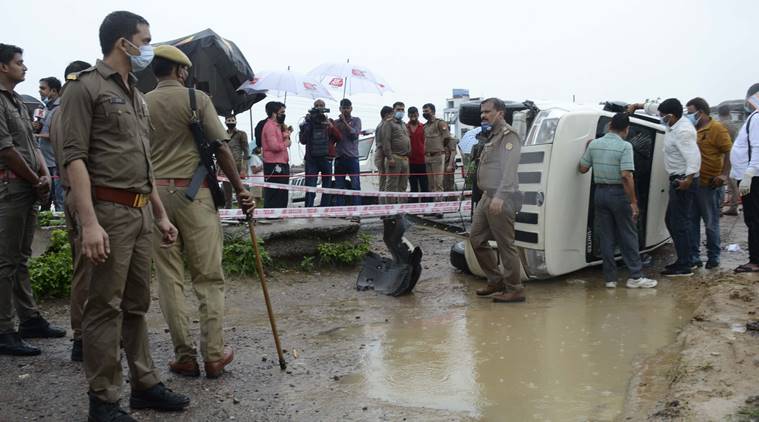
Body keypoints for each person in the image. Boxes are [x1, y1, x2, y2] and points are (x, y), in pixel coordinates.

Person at [60, 11, 190, 421]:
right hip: (107, 211)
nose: (149, 47)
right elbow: (74, 158)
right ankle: (103, 399)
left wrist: (160, 215)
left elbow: (143, 163)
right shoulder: (85, 89)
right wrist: (89, 222)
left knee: (136, 304)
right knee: (104, 307)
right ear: (124, 43)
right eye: (145, 39)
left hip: (138, 212)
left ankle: (145, 383)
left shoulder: (136, 92)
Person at [146, 45, 254, 379]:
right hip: (196, 195)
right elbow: (221, 147)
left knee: (169, 279)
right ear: (180, 71)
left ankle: (184, 356)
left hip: (155, 199)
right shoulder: (196, 100)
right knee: (208, 276)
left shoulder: (141, 103)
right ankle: (213, 355)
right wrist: (240, 189)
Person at [0, 43, 65, 357]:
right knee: (6, 261)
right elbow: (6, 150)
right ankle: (3, 329)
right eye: (19, 62)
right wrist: (33, 177)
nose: (24, 67)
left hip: (25, 187)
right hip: (10, 189)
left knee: (21, 258)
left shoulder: (16, 102)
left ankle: (29, 319)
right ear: (3, 67)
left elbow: (32, 145)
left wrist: (42, 175)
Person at [579, 113, 658, 289]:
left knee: (606, 236)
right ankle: (636, 277)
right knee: (628, 234)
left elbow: (583, 168)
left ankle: (610, 279)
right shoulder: (625, 146)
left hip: (600, 194)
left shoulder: (595, 145)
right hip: (619, 195)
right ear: (626, 129)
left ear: (609, 126)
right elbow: (626, 175)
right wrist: (634, 202)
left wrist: (588, 149)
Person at [48, 59, 92, 362]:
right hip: (80, 195)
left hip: (69, 194)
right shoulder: (73, 113)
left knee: (82, 266)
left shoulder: (57, 113)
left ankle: (82, 335)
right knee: (88, 269)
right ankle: (83, 336)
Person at [629, 98, 701, 277]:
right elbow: (654, 109)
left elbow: (694, 158)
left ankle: (685, 264)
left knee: (678, 222)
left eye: (663, 116)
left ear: (671, 115)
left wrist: (687, 180)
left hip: (683, 181)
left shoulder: (683, 131)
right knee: (672, 220)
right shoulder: (673, 121)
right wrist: (638, 106)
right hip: (677, 178)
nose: (660, 117)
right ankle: (687, 259)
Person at [470, 98, 526, 303]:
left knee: (505, 245)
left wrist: (501, 196)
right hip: (487, 196)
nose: (483, 115)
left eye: (487, 112)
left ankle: (515, 289)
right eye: (482, 112)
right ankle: (495, 280)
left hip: (501, 197)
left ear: (500, 113)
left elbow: (510, 170)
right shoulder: (492, 136)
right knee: (476, 239)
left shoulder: (508, 136)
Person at [685, 98, 732, 269]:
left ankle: (714, 256)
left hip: (710, 184)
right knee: (691, 222)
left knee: (711, 223)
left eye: (691, 113)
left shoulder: (717, 129)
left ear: (701, 112)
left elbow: (729, 152)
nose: (689, 116)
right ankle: (694, 256)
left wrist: (724, 175)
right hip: (693, 183)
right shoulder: (691, 129)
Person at [731, 83, 759, 273]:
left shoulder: (756, 118)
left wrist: (748, 174)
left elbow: (757, 148)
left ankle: (755, 261)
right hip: (750, 175)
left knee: (753, 219)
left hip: (753, 178)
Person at [299, 99, 340, 207]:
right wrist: (308, 124)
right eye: (316, 105)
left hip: (326, 157)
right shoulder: (307, 122)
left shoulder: (329, 121)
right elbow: (302, 140)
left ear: (325, 107)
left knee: (327, 185)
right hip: (311, 158)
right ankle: (309, 209)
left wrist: (330, 125)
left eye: (321, 105)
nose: (319, 107)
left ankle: (324, 208)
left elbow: (339, 137)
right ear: (313, 107)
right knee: (310, 185)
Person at [36, 76, 64, 211]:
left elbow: (56, 135)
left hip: (56, 162)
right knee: (45, 199)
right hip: (44, 162)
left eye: (43, 88)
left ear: (53, 91)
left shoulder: (61, 108)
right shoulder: (45, 108)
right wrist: (35, 126)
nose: (40, 91)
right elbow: (42, 128)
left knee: (59, 200)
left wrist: (33, 135)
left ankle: (62, 230)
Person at [378, 101, 410, 203]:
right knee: (391, 186)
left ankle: (400, 212)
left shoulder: (403, 124)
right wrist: (390, 157)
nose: (401, 111)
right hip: (394, 158)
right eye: (398, 109)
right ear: (394, 111)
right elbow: (386, 141)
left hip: (405, 158)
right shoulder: (388, 123)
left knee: (403, 186)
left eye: (402, 109)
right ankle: (390, 212)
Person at [333, 98, 363, 206]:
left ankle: (356, 212)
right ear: (340, 109)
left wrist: (345, 122)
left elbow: (354, 134)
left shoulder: (356, 120)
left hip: (352, 158)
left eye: (347, 108)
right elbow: (333, 137)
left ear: (351, 108)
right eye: (343, 108)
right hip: (339, 158)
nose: (345, 110)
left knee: (355, 186)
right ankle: (341, 212)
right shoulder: (336, 123)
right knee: (339, 187)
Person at [422, 103, 456, 195]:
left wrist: (440, 149)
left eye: (426, 111)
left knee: (438, 184)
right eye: (423, 111)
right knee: (431, 185)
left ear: (432, 111)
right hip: (427, 157)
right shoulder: (425, 126)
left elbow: (447, 138)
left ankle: (439, 206)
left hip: (438, 156)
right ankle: (434, 205)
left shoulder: (440, 123)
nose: (424, 113)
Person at [262, 101, 290, 208]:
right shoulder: (269, 127)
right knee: (275, 194)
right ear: (274, 113)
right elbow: (274, 146)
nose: (283, 115)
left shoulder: (278, 126)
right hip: (274, 165)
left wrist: (285, 134)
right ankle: (272, 216)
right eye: (281, 112)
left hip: (282, 162)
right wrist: (285, 143)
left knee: (282, 194)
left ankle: (280, 215)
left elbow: (286, 141)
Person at [222, 115, 250, 209]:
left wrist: (244, 168)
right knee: (227, 191)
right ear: (225, 122)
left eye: (232, 120)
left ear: (236, 121)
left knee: (240, 190)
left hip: (238, 164)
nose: (230, 122)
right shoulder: (222, 134)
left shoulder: (241, 134)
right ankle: (228, 211)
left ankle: (243, 210)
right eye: (228, 120)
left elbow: (246, 151)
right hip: (225, 164)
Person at [719, 104, 742, 216]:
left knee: (721, 182)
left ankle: (719, 208)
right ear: (728, 113)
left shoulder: (720, 125)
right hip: (733, 155)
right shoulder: (734, 125)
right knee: (732, 183)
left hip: (722, 156)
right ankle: (733, 206)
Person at [407, 106, 428, 202]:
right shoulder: (405, 127)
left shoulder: (423, 127)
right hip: (410, 161)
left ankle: (426, 207)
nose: (413, 116)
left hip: (422, 160)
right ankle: (413, 208)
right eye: (411, 115)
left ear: (418, 115)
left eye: (415, 114)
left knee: (424, 185)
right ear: (408, 116)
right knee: (413, 185)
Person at [374, 106, 394, 198]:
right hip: (382, 154)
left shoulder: (381, 124)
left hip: (381, 153)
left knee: (384, 180)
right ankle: (383, 202)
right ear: (387, 115)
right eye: (392, 114)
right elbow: (385, 142)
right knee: (384, 180)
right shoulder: (383, 125)